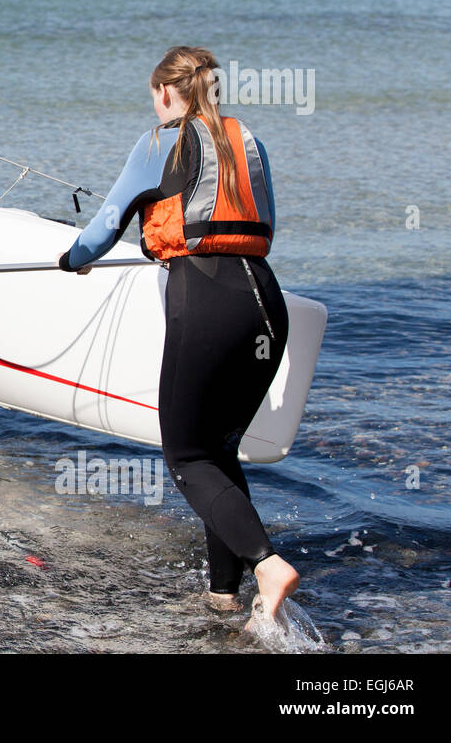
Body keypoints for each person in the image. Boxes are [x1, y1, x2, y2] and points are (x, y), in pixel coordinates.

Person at [58, 45, 300, 626]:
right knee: (218, 451)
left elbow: (103, 230)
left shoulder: (159, 142)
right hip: (266, 304)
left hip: (206, 301)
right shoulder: (249, 140)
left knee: (188, 458)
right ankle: (224, 595)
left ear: (166, 92)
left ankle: (267, 564)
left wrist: (72, 260)